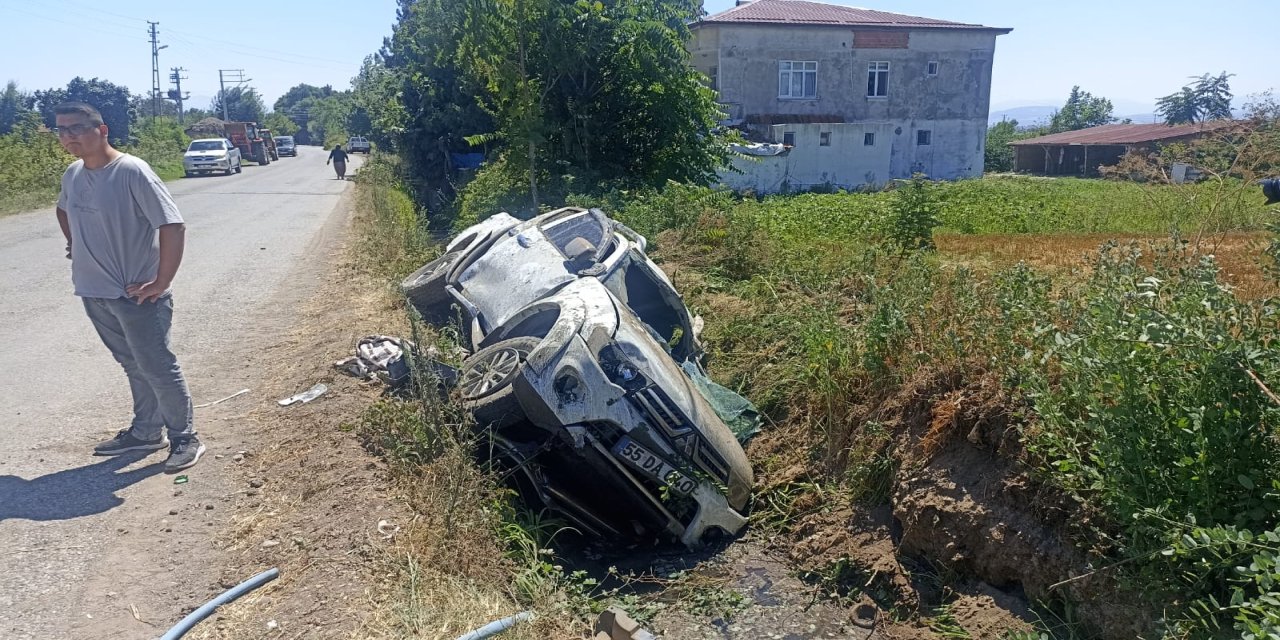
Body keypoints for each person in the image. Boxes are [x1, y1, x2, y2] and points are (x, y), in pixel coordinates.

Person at [53, 102, 204, 472]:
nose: (68, 136)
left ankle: (185, 437)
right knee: (131, 364)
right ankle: (147, 431)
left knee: (156, 365)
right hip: (94, 291)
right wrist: (76, 244)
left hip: (137, 292)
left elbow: (172, 225)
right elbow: (63, 209)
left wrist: (162, 280)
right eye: (61, 130)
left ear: (101, 130)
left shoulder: (131, 171)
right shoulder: (73, 174)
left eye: (76, 127)